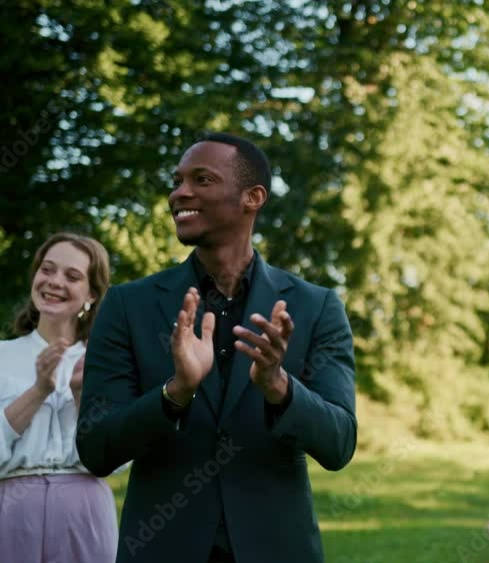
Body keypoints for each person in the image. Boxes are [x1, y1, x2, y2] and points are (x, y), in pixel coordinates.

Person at [76, 132, 357, 563]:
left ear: (253, 197)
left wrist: (279, 388)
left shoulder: (316, 306)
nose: (179, 193)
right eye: (177, 181)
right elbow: (96, 449)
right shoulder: (127, 305)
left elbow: (339, 445)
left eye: (202, 179)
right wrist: (175, 393)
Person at [0, 232, 115, 563]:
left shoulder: (105, 361)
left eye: (72, 276)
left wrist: (80, 397)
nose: (55, 281)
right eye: (47, 269)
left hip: (84, 513)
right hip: (5, 511)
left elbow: (118, 454)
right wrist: (39, 391)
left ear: (91, 294)